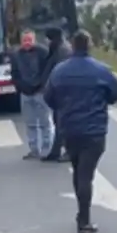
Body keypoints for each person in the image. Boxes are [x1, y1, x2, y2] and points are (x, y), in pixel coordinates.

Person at [42, 31, 117, 233]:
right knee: (86, 174)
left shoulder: (60, 71)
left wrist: (64, 108)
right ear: (89, 45)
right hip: (94, 130)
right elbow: (114, 94)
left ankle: (81, 214)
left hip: (69, 129)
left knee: (78, 171)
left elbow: (49, 97)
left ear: (72, 46)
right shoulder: (101, 70)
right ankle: (84, 220)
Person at [10, 29, 53, 160]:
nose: (27, 43)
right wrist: (20, 86)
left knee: (45, 122)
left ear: (34, 40)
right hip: (25, 92)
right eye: (24, 40)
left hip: (40, 91)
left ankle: (47, 149)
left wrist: (41, 86)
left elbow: (47, 71)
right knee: (30, 123)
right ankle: (34, 149)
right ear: (21, 41)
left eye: (29, 40)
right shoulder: (16, 54)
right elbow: (14, 73)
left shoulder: (43, 52)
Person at [40, 26, 72, 162]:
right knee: (58, 123)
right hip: (58, 93)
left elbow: (60, 73)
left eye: (47, 39)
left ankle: (68, 151)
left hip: (64, 93)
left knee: (63, 123)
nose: (45, 42)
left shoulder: (63, 51)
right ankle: (56, 151)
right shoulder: (57, 48)